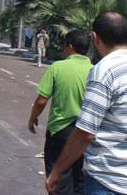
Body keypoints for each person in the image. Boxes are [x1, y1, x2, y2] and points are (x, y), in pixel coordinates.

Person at [46, 12, 127, 195]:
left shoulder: (105, 70)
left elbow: (85, 133)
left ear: (95, 38)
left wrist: (57, 171)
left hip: (108, 181)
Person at [28, 30, 92, 194]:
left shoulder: (57, 67)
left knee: (57, 183)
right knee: (80, 182)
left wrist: (32, 119)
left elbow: (42, 100)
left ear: (69, 47)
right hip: (86, 133)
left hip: (60, 132)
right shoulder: (95, 70)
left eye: (64, 46)